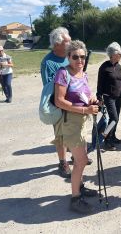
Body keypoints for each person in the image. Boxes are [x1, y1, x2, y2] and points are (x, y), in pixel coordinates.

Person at [54, 40, 99, 214]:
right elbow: (60, 100)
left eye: (82, 57)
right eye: (75, 57)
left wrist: (91, 100)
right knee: (81, 160)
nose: (79, 60)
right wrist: (84, 109)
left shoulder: (83, 73)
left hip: (82, 120)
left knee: (81, 159)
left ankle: (79, 186)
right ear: (68, 57)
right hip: (71, 121)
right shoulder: (63, 73)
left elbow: (85, 94)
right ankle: (75, 198)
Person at [40, 27, 72, 178]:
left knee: (75, 130)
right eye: (68, 41)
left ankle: (75, 156)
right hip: (59, 102)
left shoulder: (70, 56)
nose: (70, 42)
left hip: (74, 102)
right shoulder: (48, 62)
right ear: (58, 43)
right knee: (61, 135)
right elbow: (48, 87)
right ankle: (62, 162)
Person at [96, 42, 121, 151]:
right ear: (112, 54)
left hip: (118, 97)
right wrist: (99, 98)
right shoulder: (104, 67)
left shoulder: (119, 67)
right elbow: (99, 84)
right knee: (114, 118)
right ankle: (106, 140)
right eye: (119, 53)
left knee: (116, 118)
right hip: (108, 97)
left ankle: (112, 136)